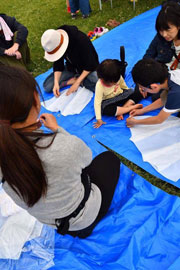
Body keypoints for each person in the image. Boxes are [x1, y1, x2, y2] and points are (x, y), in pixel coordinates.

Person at [0, 65, 120, 238]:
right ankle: (88, 224)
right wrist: (58, 129)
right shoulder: (62, 146)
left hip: (53, 222)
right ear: (34, 102)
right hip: (82, 219)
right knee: (109, 159)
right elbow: (86, 157)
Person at [41, 25, 99, 97]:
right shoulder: (56, 43)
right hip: (72, 69)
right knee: (48, 86)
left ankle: (81, 81)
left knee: (100, 84)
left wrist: (77, 82)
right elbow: (58, 64)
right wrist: (56, 83)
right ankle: (72, 81)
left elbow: (91, 64)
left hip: (88, 70)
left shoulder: (80, 39)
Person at [126, 58, 180, 127]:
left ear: (153, 86)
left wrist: (135, 122)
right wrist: (142, 111)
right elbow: (164, 100)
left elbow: (159, 119)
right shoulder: (170, 76)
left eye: (143, 89)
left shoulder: (176, 93)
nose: (143, 91)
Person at [94, 59, 143, 128]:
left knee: (137, 92)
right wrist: (98, 119)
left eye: (114, 82)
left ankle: (122, 110)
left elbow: (124, 87)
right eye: (109, 83)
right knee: (104, 109)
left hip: (120, 95)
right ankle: (132, 107)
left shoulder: (118, 77)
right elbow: (97, 102)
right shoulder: (99, 85)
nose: (112, 84)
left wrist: (129, 93)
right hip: (109, 101)